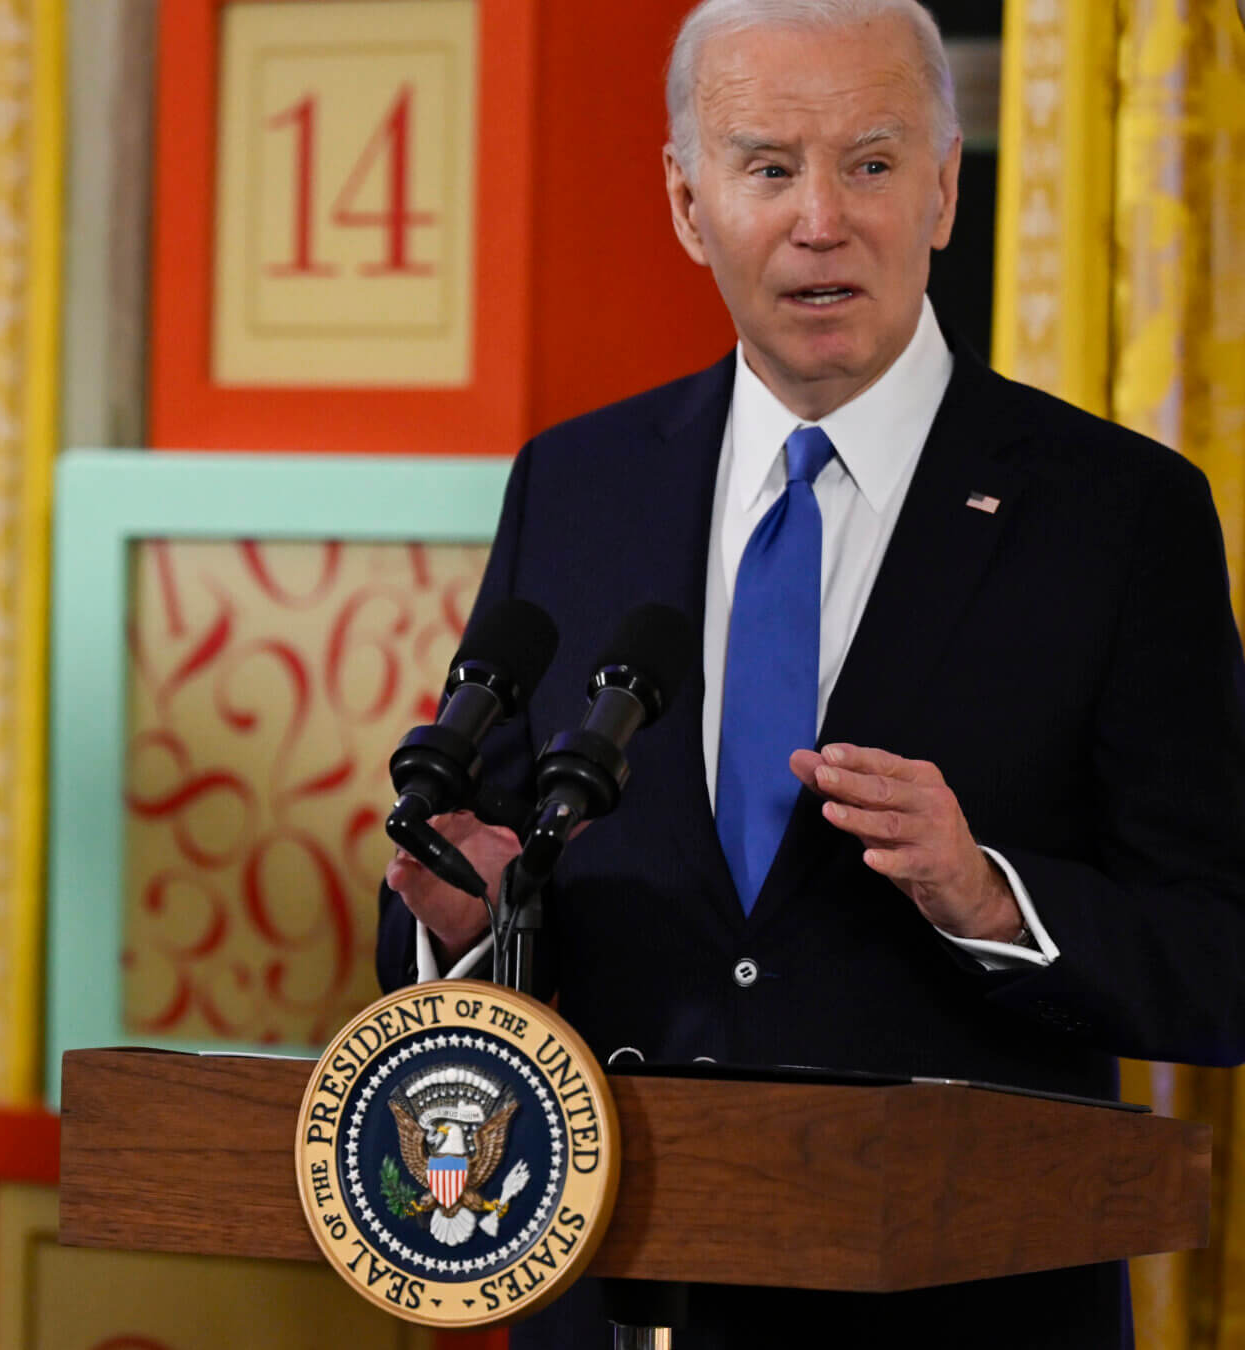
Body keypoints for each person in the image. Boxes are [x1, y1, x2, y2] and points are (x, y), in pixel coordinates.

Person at [374, 0, 1245, 1344]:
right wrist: (462, 922)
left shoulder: (1118, 515)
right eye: (769, 167)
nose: (820, 219)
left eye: (875, 164)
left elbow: (1217, 952)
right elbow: (483, 862)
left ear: (948, 188)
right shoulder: (580, 486)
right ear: (687, 201)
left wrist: (986, 893)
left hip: (968, 1308)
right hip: (615, 1298)